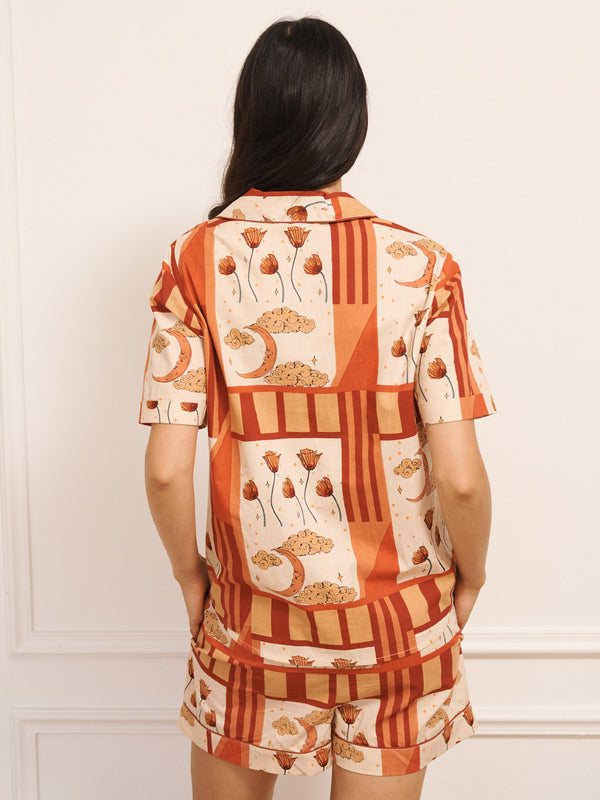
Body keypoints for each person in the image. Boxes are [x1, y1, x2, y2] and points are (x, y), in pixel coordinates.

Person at [139, 15, 496, 800]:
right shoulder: (422, 266)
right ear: (353, 123)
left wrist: (191, 581)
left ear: (251, 119)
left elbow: (166, 470)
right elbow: (462, 479)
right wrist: (469, 579)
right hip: (399, 626)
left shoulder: (193, 261)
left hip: (247, 626)